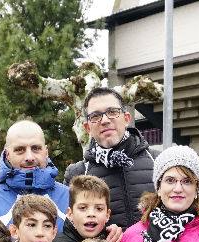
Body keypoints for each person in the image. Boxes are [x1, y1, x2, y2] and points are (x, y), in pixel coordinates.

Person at [64, 87, 157, 230]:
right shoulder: (77, 174)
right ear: (87, 127)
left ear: (126, 118)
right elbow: (69, 232)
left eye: (112, 112)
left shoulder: (158, 161)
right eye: (95, 116)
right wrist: (101, 240)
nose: (105, 120)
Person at [0, 120, 69, 229]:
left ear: (46, 152)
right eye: (20, 149)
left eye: (36, 148)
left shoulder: (71, 198)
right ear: (8, 155)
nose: (29, 157)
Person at [55, 175, 119, 242]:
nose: (91, 214)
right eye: (83, 208)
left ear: (107, 215)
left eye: (99, 209)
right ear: (70, 214)